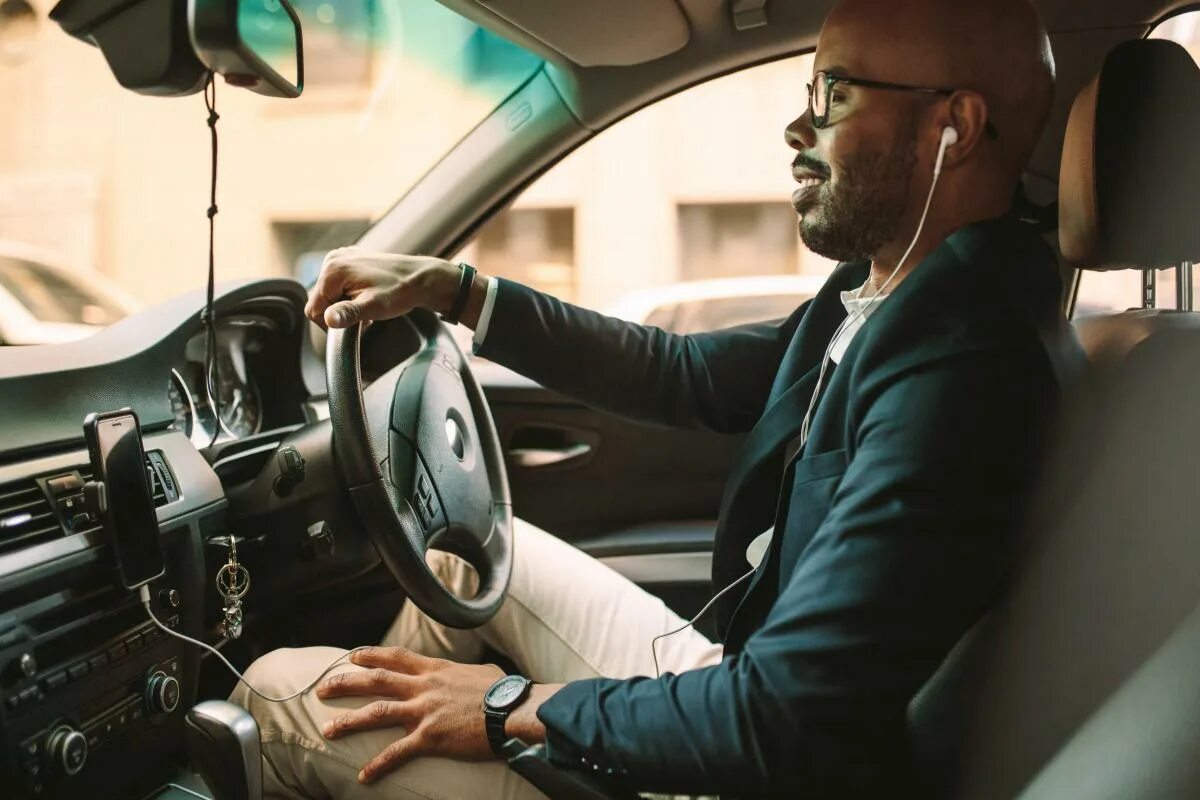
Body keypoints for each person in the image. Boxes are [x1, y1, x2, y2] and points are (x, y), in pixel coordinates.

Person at [231, 0, 1069, 796]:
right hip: (734, 685)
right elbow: (684, 373)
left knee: (273, 696)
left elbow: (784, 718)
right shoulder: (892, 292)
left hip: (757, 765)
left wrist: (502, 709)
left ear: (951, 127)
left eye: (836, 94)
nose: (798, 125)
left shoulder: (962, 365)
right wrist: (457, 290)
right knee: (461, 556)